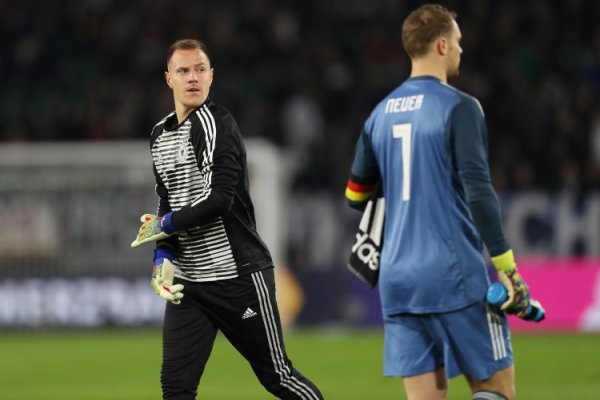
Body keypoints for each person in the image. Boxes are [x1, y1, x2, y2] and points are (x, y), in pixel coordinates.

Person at [345, 4, 541, 400]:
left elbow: (355, 195)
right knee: (497, 390)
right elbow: (479, 191)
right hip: (453, 274)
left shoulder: (379, 115)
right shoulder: (459, 107)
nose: (460, 50)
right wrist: (507, 268)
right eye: (457, 41)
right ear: (440, 45)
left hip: (398, 280)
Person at [131, 38, 323, 400]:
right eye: (183, 71)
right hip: (190, 285)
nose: (192, 77)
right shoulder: (159, 134)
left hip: (238, 277)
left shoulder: (217, 124)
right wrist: (162, 256)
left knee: (278, 378)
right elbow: (168, 201)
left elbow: (219, 200)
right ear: (168, 78)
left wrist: (163, 226)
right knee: (176, 388)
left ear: (211, 75)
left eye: (200, 69)